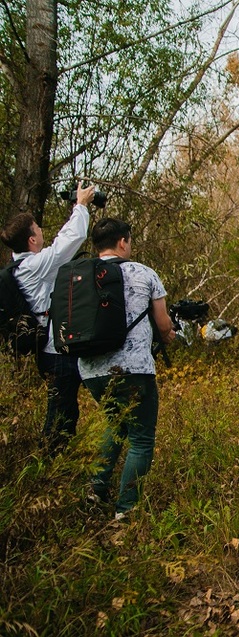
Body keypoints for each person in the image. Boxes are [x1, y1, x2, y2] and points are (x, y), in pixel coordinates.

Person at [80, 218, 175, 520]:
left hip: (91, 370)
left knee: (115, 425)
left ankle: (95, 489)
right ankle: (127, 509)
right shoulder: (143, 273)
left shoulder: (80, 275)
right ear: (123, 242)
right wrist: (170, 335)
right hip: (134, 369)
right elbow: (163, 325)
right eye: (129, 240)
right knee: (141, 437)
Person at [0, 182, 94, 454]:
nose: (42, 233)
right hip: (55, 352)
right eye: (38, 230)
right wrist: (81, 205)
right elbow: (68, 242)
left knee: (64, 409)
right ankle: (48, 463)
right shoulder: (34, 266)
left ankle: (53, 464)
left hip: (50, 351)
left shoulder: (22, 265)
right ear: (32, 239)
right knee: (60, 414)